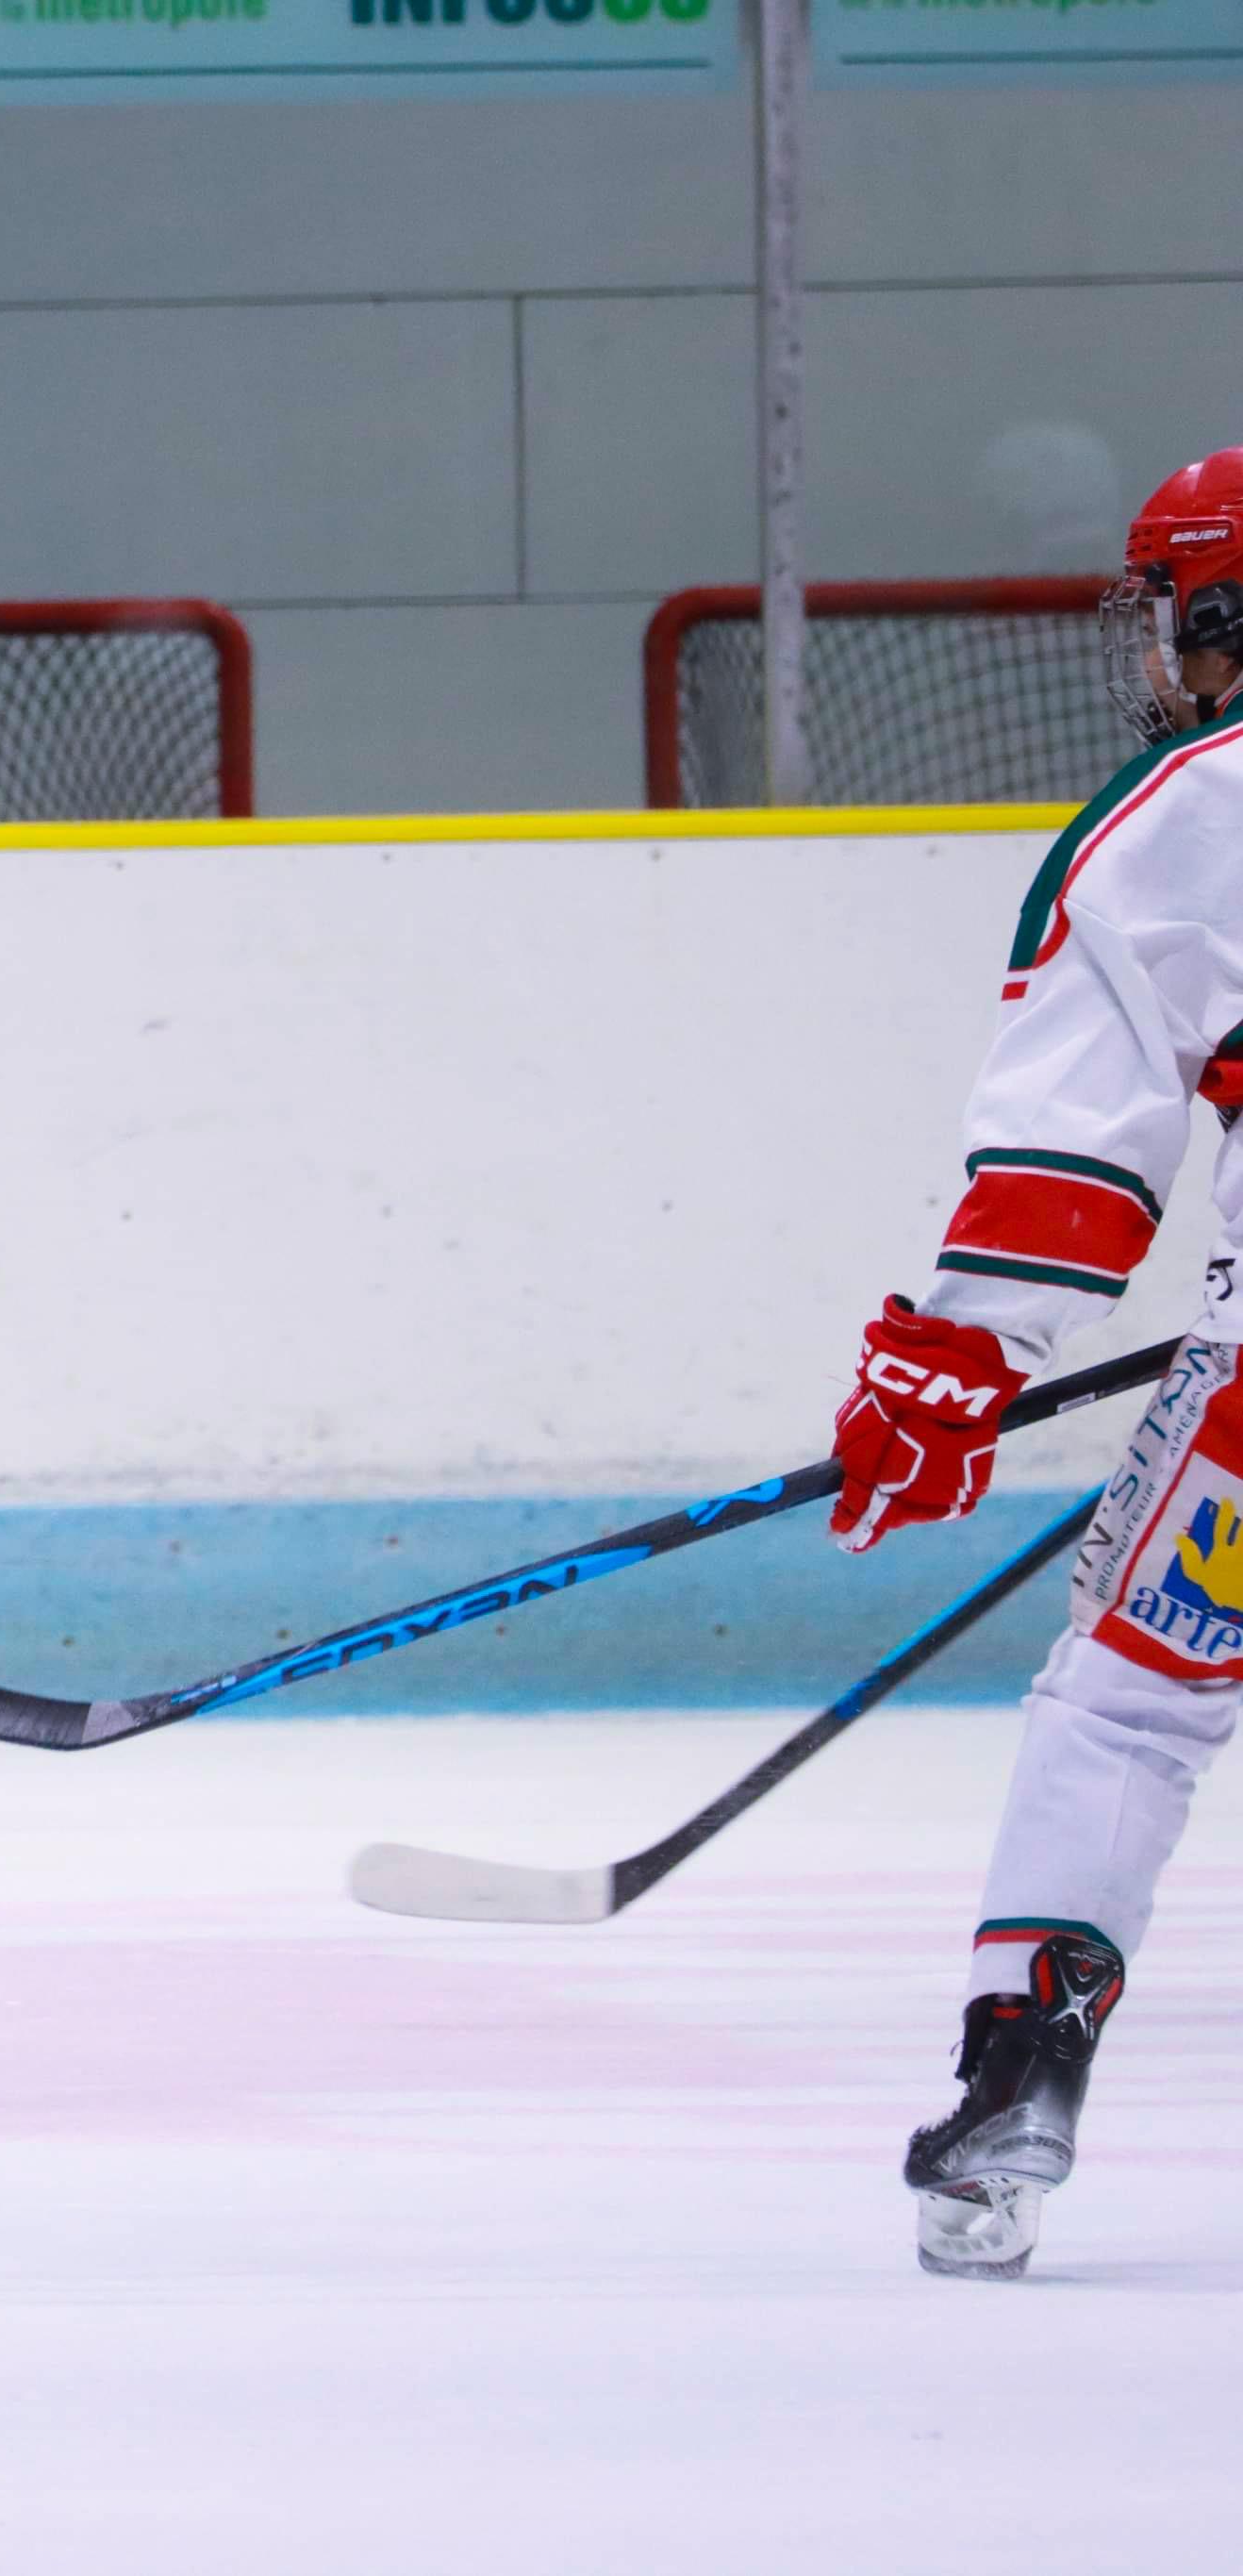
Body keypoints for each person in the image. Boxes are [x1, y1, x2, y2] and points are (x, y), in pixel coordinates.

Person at [825, 447, 1243, 2279]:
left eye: (1165, 610)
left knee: (1129, 1702)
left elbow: (1079, 1143)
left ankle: (1016, 2087)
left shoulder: (1188, 810)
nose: (1152, 651)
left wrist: (953, 1358)